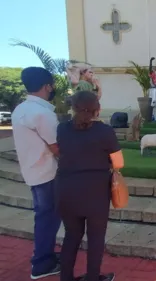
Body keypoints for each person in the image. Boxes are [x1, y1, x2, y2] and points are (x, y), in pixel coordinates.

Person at [55, 91, 124, 281]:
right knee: (95, 238)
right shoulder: (104, 131)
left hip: (66, 189)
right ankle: (93, 278)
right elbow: (119, 163)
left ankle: (66, 277)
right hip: (95, 191)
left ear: (73, 107)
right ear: (98, 109)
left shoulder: (62, 128)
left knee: (71, 236)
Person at [12, 67, 62, 280]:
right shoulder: (42, 113)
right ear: (47, 86)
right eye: (51, 86)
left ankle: (46, 256)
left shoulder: (20, 109)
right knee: (48, 218)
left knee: (44, 216)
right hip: (47, 172)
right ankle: (41, 263)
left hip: (33, 170)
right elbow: (57, 146)